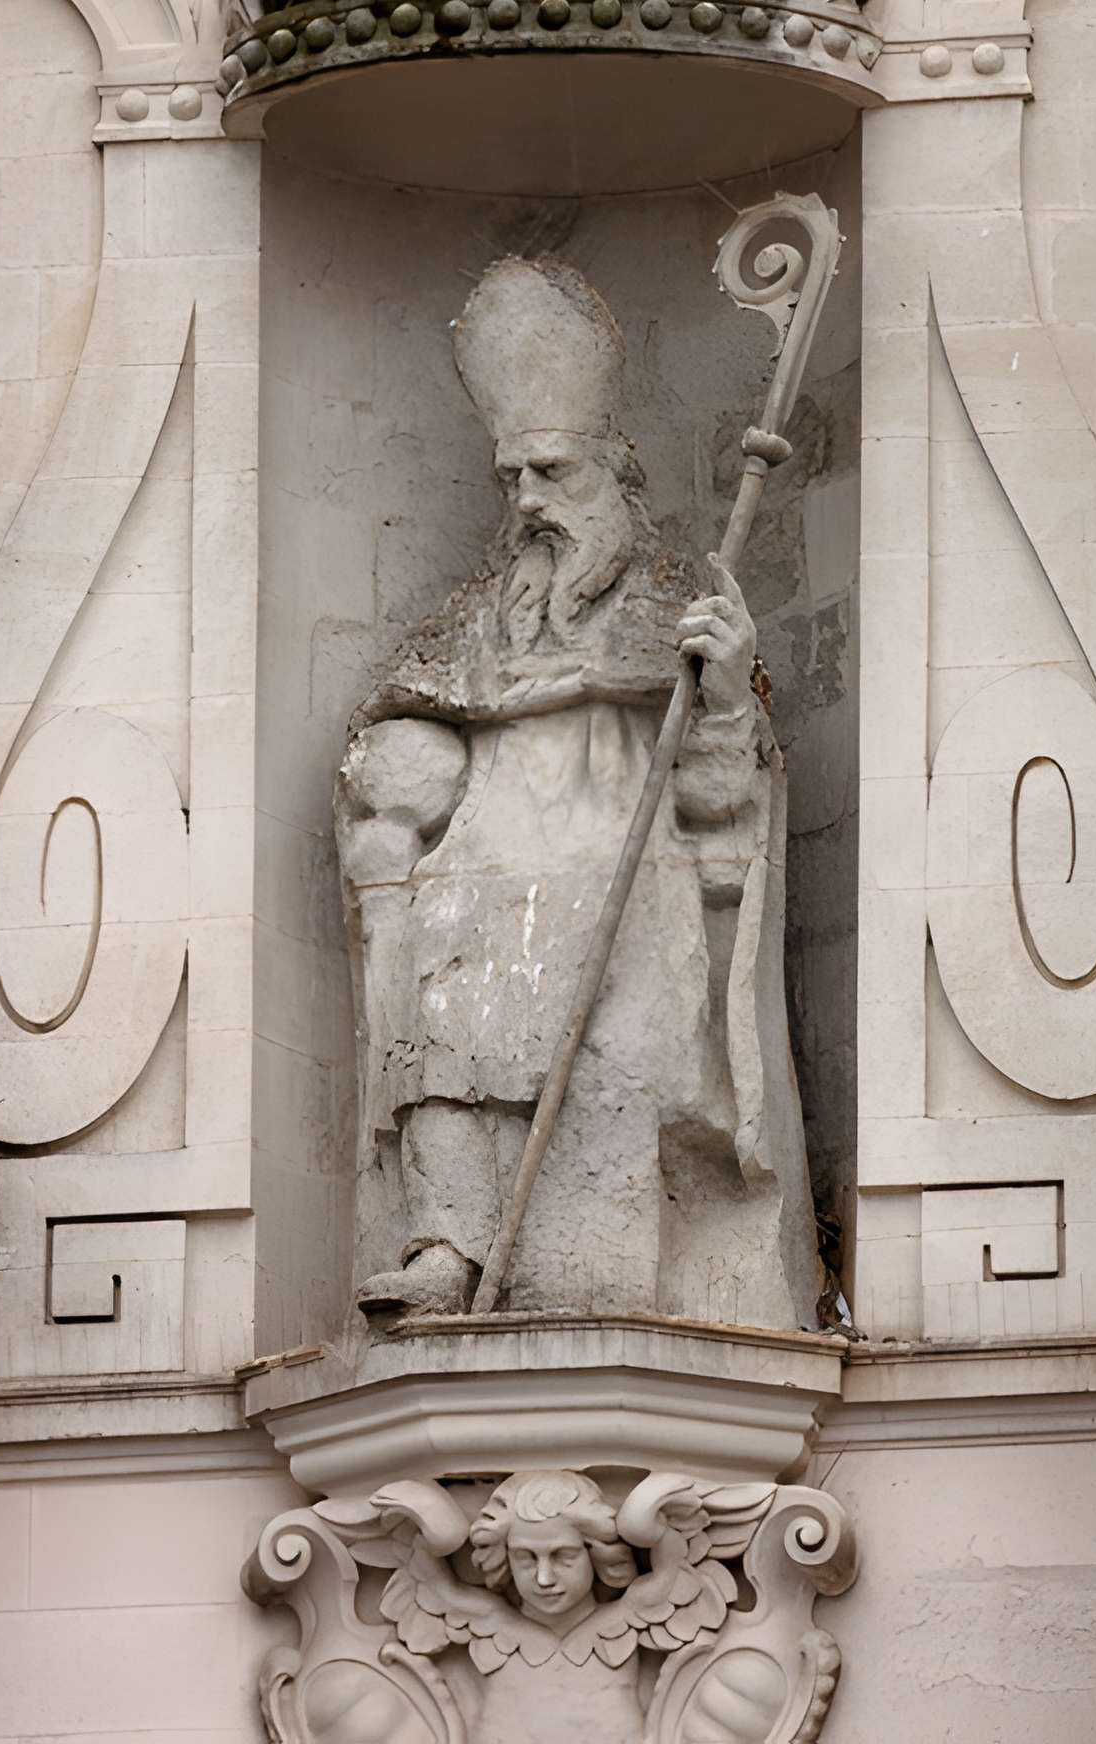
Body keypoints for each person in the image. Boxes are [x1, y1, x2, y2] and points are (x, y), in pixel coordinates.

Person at [337, 257, 819, 1327]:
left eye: (553, 474)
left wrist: (730, 691)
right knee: (443, 1015)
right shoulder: (471, 625)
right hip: (472, 890)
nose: (530, 503)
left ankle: (591, 1272)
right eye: (514, 479)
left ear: (616, 472)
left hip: (623, 886)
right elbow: (391, 739)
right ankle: (448, 1246)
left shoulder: (676, 615)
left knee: (604, 1038)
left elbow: (718, 802)